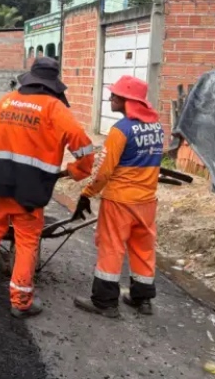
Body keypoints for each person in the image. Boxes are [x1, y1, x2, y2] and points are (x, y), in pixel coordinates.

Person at [0, 57, 95, 318]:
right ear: (53, 84)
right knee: (27, 241)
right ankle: (20, 301)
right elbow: (83, 147)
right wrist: (77, 172)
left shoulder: (6, 102)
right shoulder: (55, 109)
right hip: (30, 191)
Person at [72, 76, 164, 318]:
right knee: (143, 249)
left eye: (115, 95)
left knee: (111, 248)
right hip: (147, 202)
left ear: (128, 100)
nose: (110, 97)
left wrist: (86, 194)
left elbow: (104, 172)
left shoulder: (120, 130)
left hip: (120, 202)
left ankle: (105, 302)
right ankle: (142, 299)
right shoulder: (156, 127)